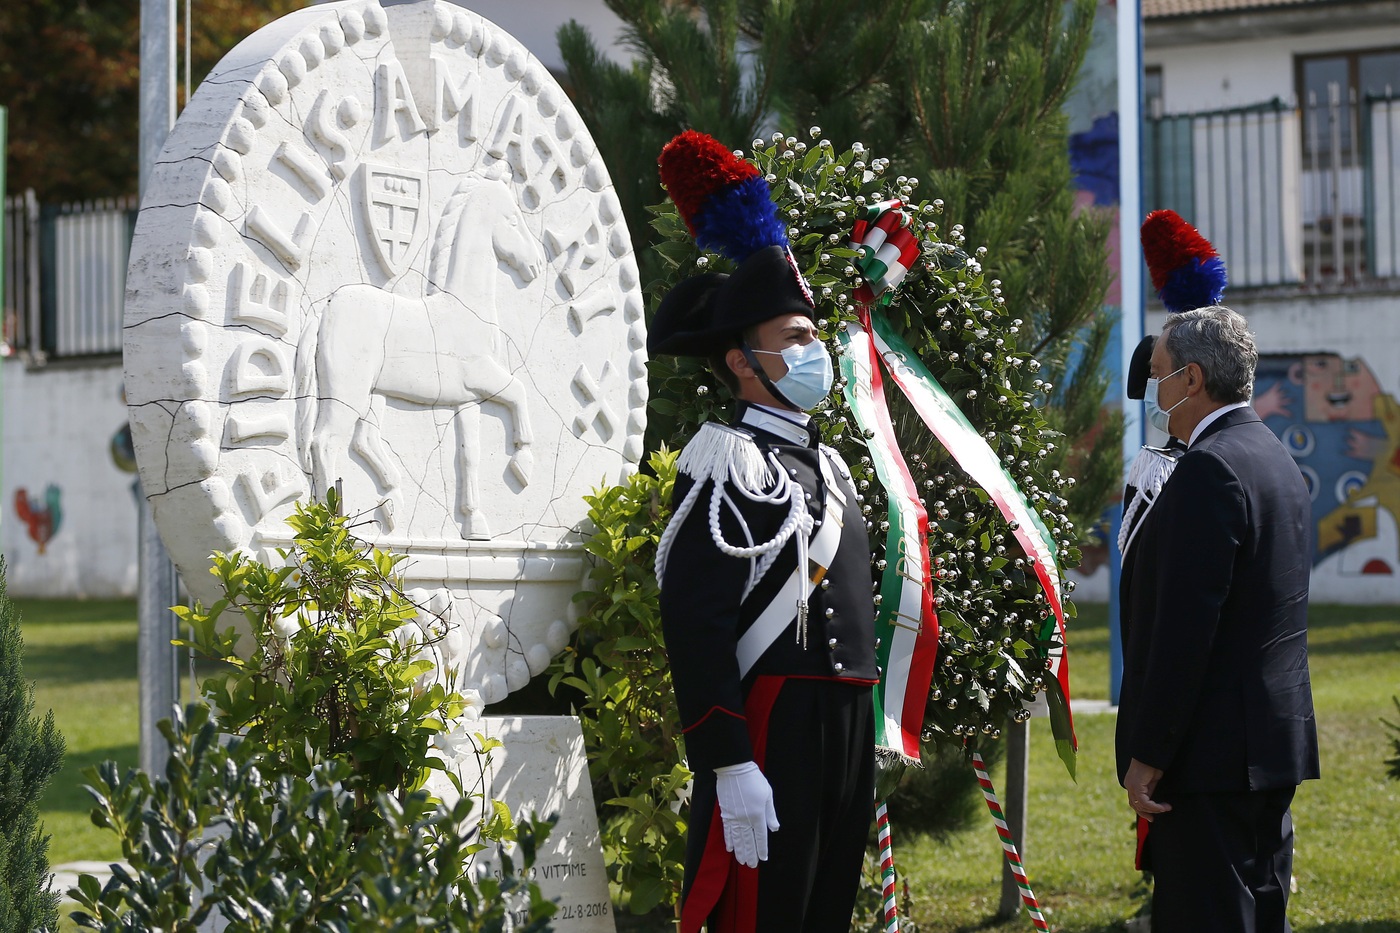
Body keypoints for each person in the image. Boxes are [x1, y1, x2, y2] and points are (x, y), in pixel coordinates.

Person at [648, 239, 878, 933]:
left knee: (824, 909)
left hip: (844, 726)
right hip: (775, 728)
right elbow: (696, 622)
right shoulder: (727, 461)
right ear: (743, 362)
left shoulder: (831, 464)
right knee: (762, 913)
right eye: (795, 337)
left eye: (813, 334)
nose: (816, 349)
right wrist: (729, 760)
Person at [1116, 306, 1320, 932]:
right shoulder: (1271, 455)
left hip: (1210, 754)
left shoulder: (1209, 467)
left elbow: (1186, 631)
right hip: (1265, 743)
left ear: (1193, 379)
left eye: (1159, 376)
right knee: (1261, 912)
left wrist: (1150, 752)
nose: (1156, 391)